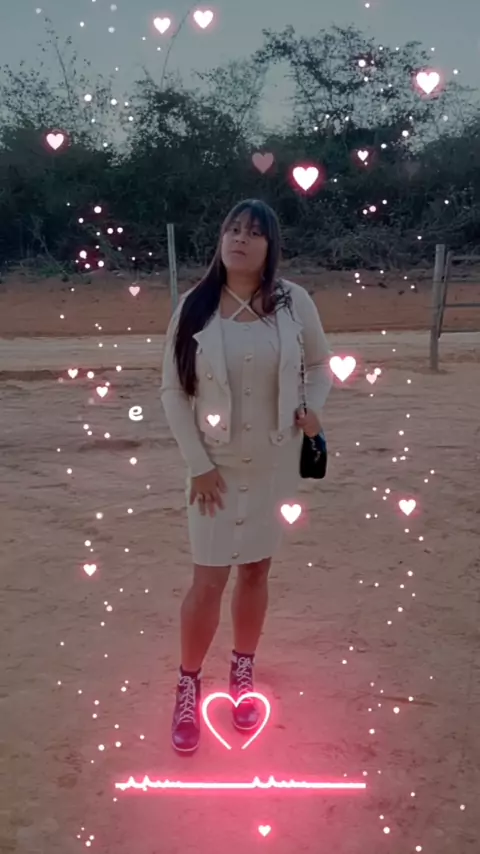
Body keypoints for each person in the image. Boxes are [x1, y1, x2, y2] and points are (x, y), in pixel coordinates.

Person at [160, 199, 333, 754]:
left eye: (253, 233)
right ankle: (188, 684)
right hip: (214, 469)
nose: (239, 239)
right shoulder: (195, 305)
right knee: (208, 579)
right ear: (221, 238)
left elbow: (320, 365)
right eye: (232, 229)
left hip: (273, 462)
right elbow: (172, 391)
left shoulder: (292, 302)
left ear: (270, 246)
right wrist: (199, 466)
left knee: (256, 569)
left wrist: (313, 409)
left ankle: (242, 670)